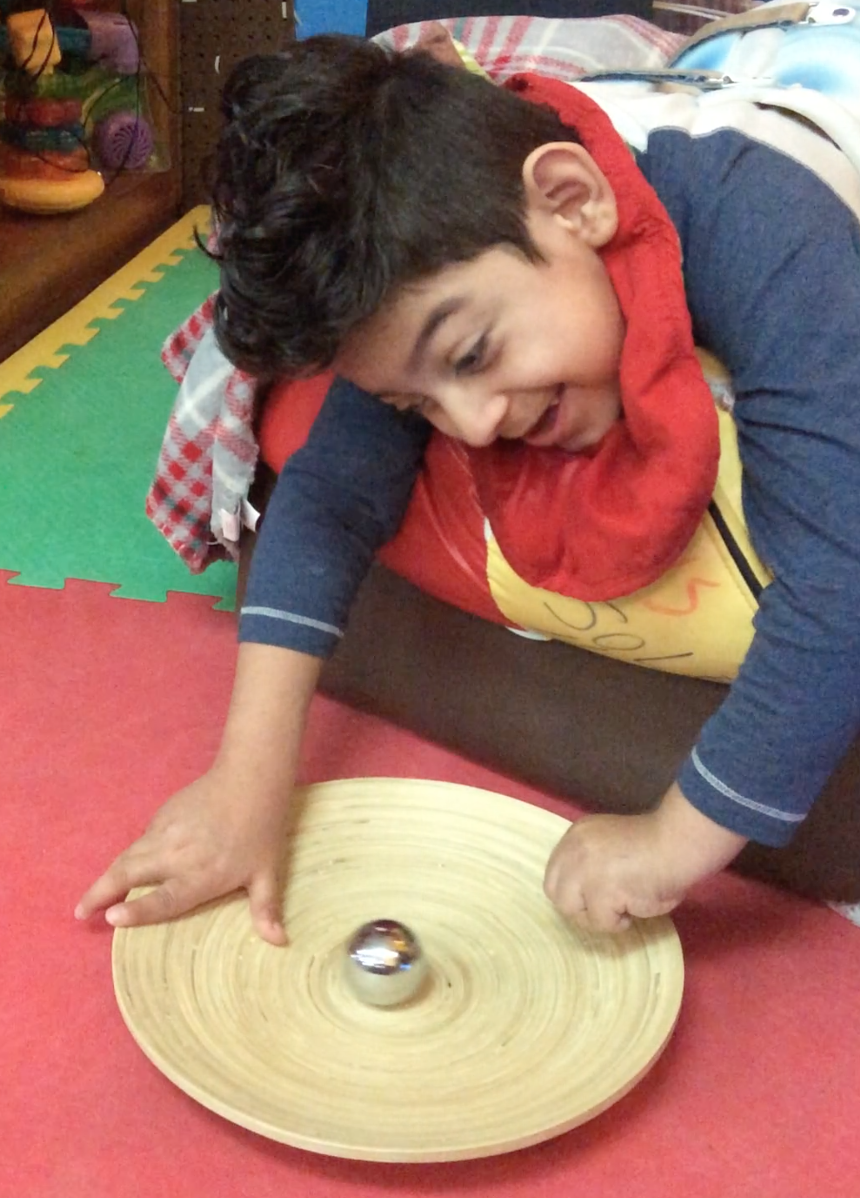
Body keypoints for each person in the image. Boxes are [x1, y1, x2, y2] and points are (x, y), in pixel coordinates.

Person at [75, 32, 860, 939]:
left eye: (476, 356)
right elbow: (327, 499)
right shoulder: (435, 286)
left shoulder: (769, 232)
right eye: (421, 404)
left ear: (573, 203)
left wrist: (669, 841)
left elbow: (840, 582)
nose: (476, 425)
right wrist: (243, 787)